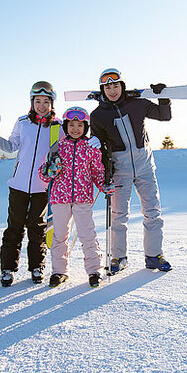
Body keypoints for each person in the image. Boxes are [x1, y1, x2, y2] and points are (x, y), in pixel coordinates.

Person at [0, 81, 63, 287]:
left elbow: (66, 150)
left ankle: (37, 266)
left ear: (52, 103)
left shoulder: (57, 127)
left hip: (42, 187)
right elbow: (11, 146)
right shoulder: (23, 122)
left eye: (46, 101)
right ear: (32, 102)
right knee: (14, 227)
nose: (42, 105)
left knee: (37, 228)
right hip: (18, 185)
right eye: (38, 101)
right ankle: (7, 268)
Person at [89, 68, 173, 274]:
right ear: (102, 90)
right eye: (107, 87)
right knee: (118, 215)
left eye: (115, 85)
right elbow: (98, 145)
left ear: (122, 86)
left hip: (145, 166)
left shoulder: (137, 104)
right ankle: (119, 257)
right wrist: (104, 171)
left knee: (152, 212)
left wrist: (163, 98)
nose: (112, 90)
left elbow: (164, 116)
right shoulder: (98, 115)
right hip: (120, 170)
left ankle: (154, 256)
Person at [38, 107, 114, 288]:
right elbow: (43, 174)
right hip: (59, 199)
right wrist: (50, 171)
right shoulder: (57, 148)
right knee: (59, 236)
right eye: (71, 125)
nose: (75, 129)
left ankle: (94, 271)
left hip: (82, 199)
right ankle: (59, 271)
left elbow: (97, 173)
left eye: (80, 125)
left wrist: (104, 186)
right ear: (65, 126)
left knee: (87, 234)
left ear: (85, 127)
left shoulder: (91, 148)